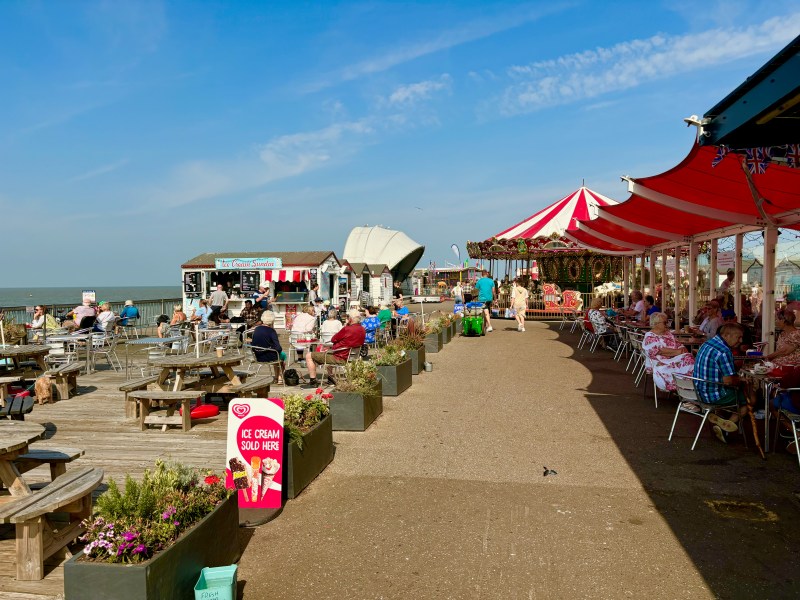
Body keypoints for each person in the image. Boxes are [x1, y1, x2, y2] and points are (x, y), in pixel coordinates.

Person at [693, 323, 755, 443]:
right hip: (713, 395)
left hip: (699, 391)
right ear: (727, 335)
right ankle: (725, 427)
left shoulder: (707, 343)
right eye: (739, 337)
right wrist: (741, 380)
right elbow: (729, 382)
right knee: (751, 400)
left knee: (742, 390)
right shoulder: (724, 351)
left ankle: (720, 419)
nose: (741, 341)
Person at [304, 309, 365, 387]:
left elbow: (333, 339)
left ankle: (313, 382)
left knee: (309, 355)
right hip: (351, 356)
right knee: (329, 354)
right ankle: (330, 378)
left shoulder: (347, 329)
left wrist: (346, 325)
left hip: (340, 357)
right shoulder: (362, 329)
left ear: (350, 319)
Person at [642, 312, 694, 392]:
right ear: (656, 323)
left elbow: (680, 346)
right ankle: (684, 389)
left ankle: (688, 388)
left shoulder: (668, 334)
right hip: (660, 363)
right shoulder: (650, 336)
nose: (667, 324)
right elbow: (660, 351)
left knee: (689, 357)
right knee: (688, 360)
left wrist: (680, 351)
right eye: (665, 322)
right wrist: (678, 352)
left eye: (668, 322)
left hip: (674, 360)